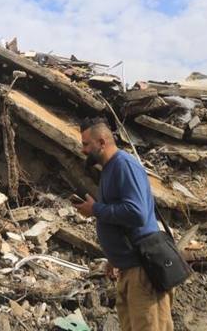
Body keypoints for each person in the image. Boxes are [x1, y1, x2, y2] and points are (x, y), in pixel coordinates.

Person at [73, 117, 173, 331]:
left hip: (142, 272)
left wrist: (96, 210)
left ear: (101, 142)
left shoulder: (124, 166)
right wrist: (113, 258)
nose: (82, 150)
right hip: (129, 269)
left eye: (86, 144)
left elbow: (136, 213)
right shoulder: (110, 168)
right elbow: (122, 220)